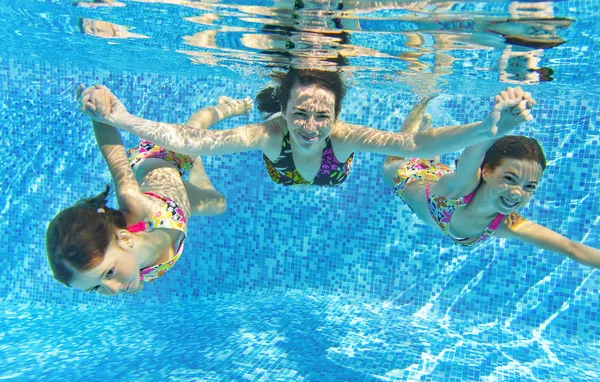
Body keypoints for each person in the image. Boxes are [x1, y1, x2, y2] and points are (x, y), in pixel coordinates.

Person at [77, 68, 534, 188]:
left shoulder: (343, 135)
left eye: (322, 116)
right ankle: (234, 105)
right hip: (283, 172)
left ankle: (422, 103)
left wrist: (486, 128)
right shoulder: (271, 132)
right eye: (300, 114)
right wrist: (121, 117)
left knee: (407, 146)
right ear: (284, 109)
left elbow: (413, 142)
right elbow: (198, 142)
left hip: (334, 174)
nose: (312, 127)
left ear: (336, 115)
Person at [46, 86, 253, 296]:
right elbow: (133, 279)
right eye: (95, 288)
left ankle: (226, 107)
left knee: (197, 128)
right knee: (219, 204)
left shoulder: (134, 207)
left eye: (108, 274)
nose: (113, 289)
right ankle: (196, 164)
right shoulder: (132, 271)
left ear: (125, 239)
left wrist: (97, 110)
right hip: (178, 205)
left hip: (163, 160)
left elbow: (115, 159)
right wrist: (134, 284)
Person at [383, 87, 600, 268]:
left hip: (437, 177)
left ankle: (428, 133)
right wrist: (494, 127)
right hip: (407, 174)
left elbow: (571, 248)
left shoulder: (507, 223)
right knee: (397, 156)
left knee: (432, 157)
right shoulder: (464, 187)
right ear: (486, 171)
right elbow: (473, 154)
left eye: (529, 186)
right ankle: (422, 98)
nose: (518, 193)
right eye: (510, 179)